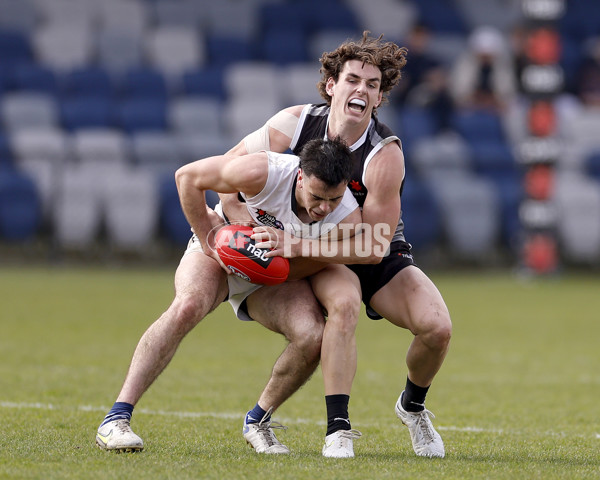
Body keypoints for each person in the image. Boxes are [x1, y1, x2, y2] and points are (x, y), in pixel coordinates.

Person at [221, 30, 452, 458]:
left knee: (437, 328)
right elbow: (228, 169)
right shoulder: (293, 122)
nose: (361, 89)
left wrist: (295, 245)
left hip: (365, 247)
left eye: (372, 85)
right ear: (332, 85)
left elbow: (376, 243)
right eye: (353, 80)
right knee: (343, 307)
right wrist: (237, 222)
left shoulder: (386, 154)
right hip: (316, 247)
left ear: (380, 98)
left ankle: (413, 407)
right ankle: (338, 430)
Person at [95, 137, 364, 458]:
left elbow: (361, 250)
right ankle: (116, 419)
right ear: (301, 176)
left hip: (275, 274)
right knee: (187, 306)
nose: (324, 208)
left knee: (312, 336)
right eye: (317, 197)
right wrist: (210, 241)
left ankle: (258, 420)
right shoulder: (264, 171)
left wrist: (293, 249)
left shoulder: (347, 217)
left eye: (333, 200)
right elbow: (187, 177)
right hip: (223, 249)